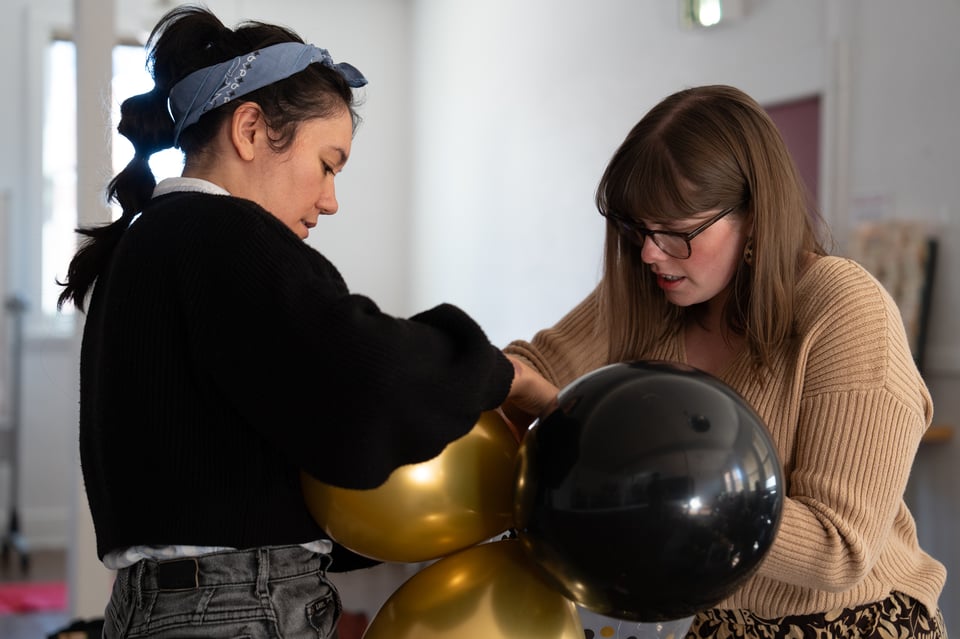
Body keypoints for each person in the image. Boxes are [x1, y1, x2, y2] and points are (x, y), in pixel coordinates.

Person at [57, 6, 540, 638]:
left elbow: (266, 463)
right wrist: (505, 377)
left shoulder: (151, 245)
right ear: (251, 130)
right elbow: (370, 378)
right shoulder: (222, 235)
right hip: (233, 613)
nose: (330, 201)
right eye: (328, 164)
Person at [503, 85, 948, 638]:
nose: (648, 253)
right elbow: (532, 368)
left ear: (756, 215)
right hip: (721, 623)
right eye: (637, 229)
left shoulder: (844, 307)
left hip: (852, 625)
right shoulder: (652, 290)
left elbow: (839, 552)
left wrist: (639, 466)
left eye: (677, 231)